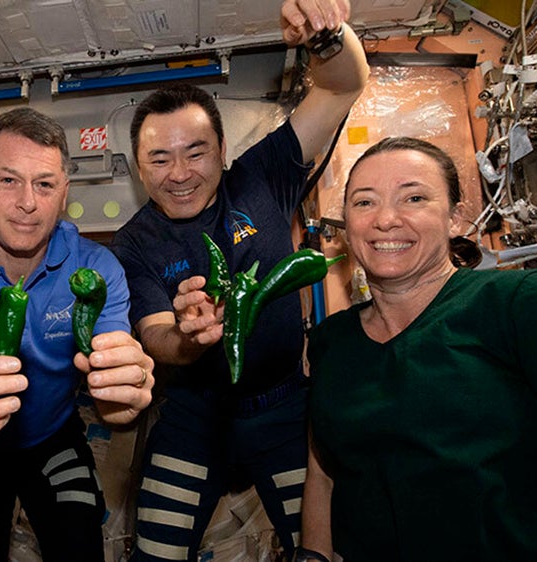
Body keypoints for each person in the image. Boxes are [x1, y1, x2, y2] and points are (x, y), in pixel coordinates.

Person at [109, 1, 368, 560]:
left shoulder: (261, 176)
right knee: (154, 553)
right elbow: (152, 332)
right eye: (158, 159)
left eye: (196, 152)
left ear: (223, 151)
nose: (178, 174)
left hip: (284, 411)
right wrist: (186, 336)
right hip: (189, 420)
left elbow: (342, 87)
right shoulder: (132, 242)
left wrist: (326, 36)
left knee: (330, 546)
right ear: (137, 166)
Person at [300, 137, 537, 561]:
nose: (385, 219)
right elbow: (324, 472)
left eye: (414, 197)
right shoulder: (332, 341)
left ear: (456, 218)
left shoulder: (526, 304)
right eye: (364, 203)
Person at [0, 107, 155, 561]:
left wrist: (128, 394)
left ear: (64, 193)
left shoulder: (96, 269)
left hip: (53, 438)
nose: (28, 203)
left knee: (80, 545)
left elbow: (114, 403)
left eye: (45, 184)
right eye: (8, 181)